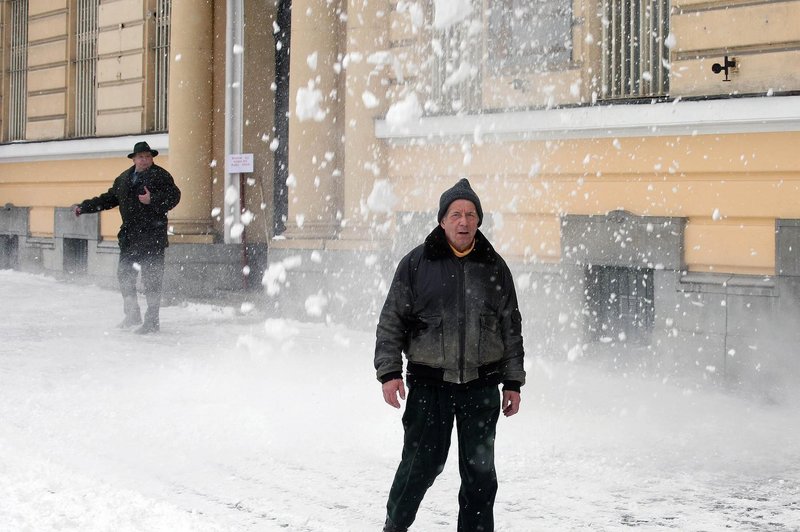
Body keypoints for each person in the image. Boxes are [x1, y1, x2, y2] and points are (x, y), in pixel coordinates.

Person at [374, 178, 526, 532]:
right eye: (456, 214)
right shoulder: (416, 264)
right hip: (429, 386)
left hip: (481, 385)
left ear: (479, 221)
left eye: (470, 214)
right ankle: (394, 527)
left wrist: (513, 381)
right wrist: (389, 372)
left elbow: (511, 328)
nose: (463, 222)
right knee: (419, 467)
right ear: (442, 220)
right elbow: (391, 320)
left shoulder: (494, 267)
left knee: (480, 475)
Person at [73, 141, 181, 334]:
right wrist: (85, 207)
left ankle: (152, 321)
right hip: (130, 238)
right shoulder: (124, 179)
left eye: (148, 156)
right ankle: (132, 314)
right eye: (141, 157)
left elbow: (174, 196)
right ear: (134, 159)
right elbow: (108, 199)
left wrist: (152, 200)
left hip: (152, 236)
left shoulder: (161, 176)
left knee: (152, 279)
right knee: (125, 276)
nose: (145, 160)